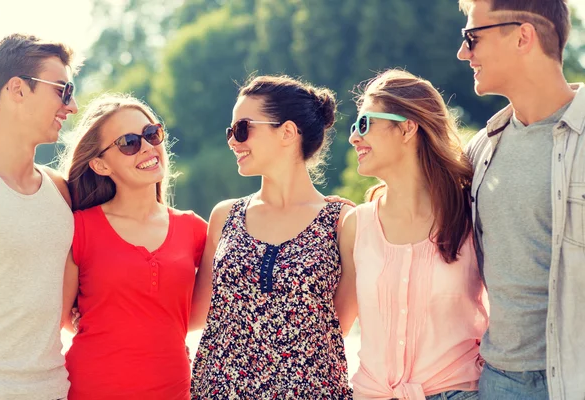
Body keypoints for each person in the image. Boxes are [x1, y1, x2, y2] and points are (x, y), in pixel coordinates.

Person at [189, 75, 356, 399]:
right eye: (231, 131)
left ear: (288, 132)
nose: (232, 141)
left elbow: (336, 330)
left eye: (242, 129)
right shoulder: (224, 216)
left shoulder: (343, 223)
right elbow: (194, 314)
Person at [456, 1, 585, 399]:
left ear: (523, 36)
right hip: (498, 382)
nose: (463, 53)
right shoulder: (481, 149)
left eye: (472, 37)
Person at [341, 69, 488, 400]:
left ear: (407, 127)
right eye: (354, 127)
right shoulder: (355, 225)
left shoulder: (472, 213)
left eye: (364, 124)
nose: (353, 137)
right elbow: (335, 326)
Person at [59, 94, 207, 400]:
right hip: (90, 390)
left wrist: (314, 208)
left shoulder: (193, 228)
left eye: (152, 134)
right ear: (100, 164)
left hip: (173, 390)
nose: (148, 147)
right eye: (129, 143)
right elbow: (61, 318)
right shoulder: (79, 228)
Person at [0, 33, 79, 400]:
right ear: (17, 90)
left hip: (55, 390)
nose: (71, 107)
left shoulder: (59, 189)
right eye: (63, 90)